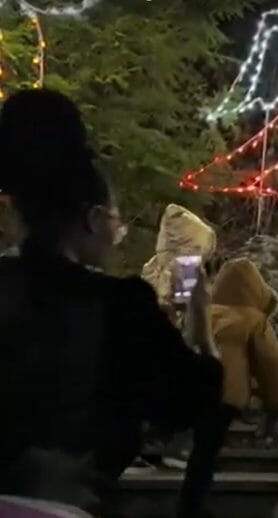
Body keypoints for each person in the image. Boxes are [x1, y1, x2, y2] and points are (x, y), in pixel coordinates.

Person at [0, 89, 223, 514]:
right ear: (92, 219)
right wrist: (201, 323)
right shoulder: (119, 308)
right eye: (116, 221)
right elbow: (194, 404)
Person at [177, 258, 278, 517]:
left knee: (201, 448)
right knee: (206, 451)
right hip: (225, 392)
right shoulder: (253, 319)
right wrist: (273, 404)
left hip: (193, 388)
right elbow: (270, 363)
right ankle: (191, 507)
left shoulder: (205, 311)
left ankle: (190, 503)